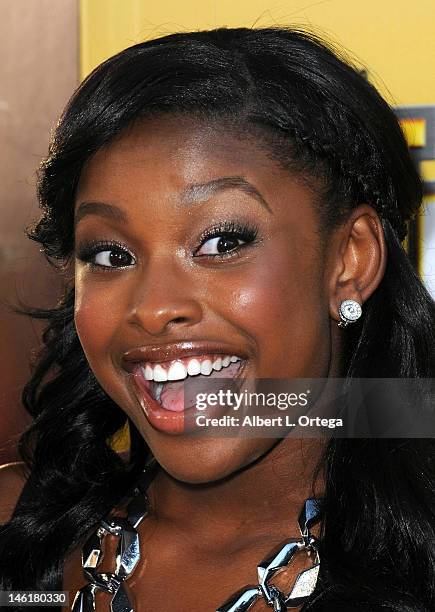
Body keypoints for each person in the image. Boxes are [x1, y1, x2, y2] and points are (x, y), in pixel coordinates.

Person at [0, 26, 434, 612]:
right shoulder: (21, 534)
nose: (153, 308)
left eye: (222, 241)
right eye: (110, 255)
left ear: (349, 259)